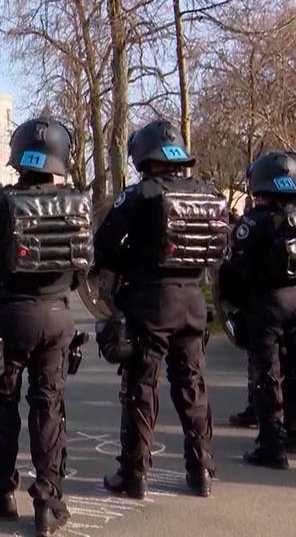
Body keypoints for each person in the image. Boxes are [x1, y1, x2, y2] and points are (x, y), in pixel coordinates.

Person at [0, 117, 90, 536]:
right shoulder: (77, 203)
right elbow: (86, 265)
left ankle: (0, 492)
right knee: (49, 406)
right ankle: (49, 503)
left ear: (19, 158)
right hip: (58, 315)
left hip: (10, 316)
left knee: (1, 408)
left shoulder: (2, 203)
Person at [93, 120, 225, 499]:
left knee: (142, 387)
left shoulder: (140, 195)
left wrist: (128, 264)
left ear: (144, 157)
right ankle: (201, 470)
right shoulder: (205, 192)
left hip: (151, 303)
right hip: (193, 303)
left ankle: (134, 474)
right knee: (193, 387)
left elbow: (103, 244)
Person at [219, 151, 296, 469]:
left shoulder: (254, 220)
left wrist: (234, 303)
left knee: (266, 373)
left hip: (267, 305)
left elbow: (234, 268)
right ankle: (293, 432)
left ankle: (271, 445)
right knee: (293, 369)